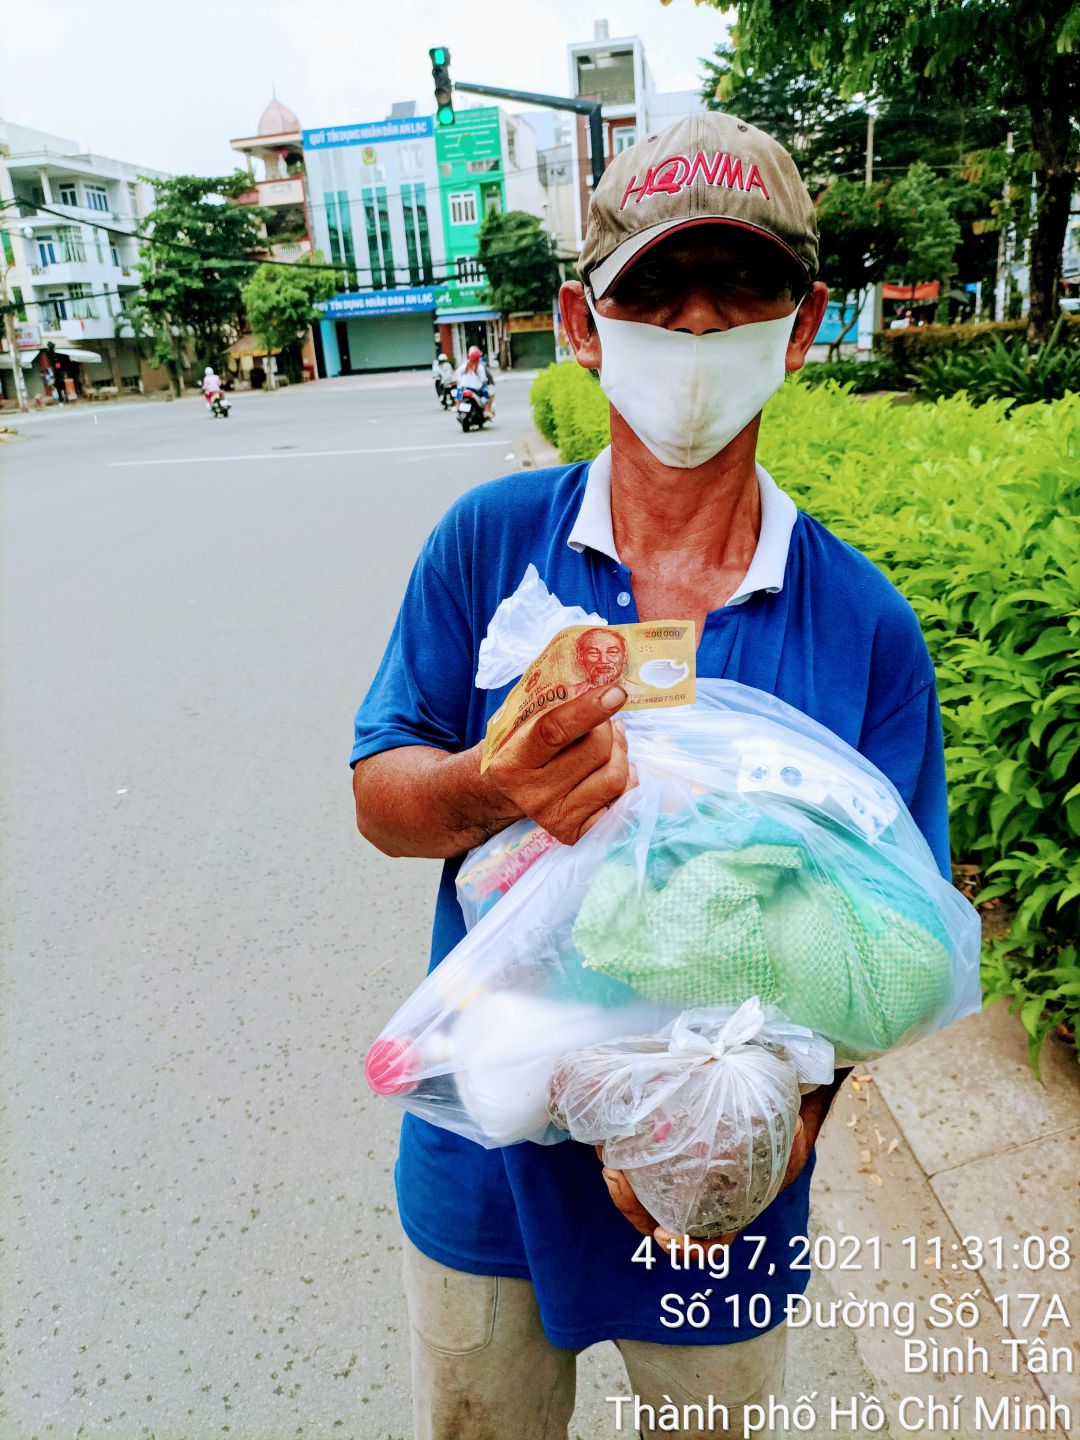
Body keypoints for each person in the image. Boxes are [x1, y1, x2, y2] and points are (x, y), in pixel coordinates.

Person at [351, 111, 951, 1440]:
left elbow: (901, 950)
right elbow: (382, 799)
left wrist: (776, 1128)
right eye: (655, 289)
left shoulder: (863, 625)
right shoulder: (488, 546)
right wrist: (498, 785)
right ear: (583, 321)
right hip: (485, 1163)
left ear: (802, 329)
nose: (696, 326)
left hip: (725, 1188)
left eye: (741, 287)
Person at [455, 344, 494, 419]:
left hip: (464, 387)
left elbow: (457, 373)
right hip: (476, 388)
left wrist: (461, 381)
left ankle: (457, 405)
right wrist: (485, 383)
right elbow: (483, 379)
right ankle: (486, 410)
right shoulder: (479, 367)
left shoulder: (465, 365)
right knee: (488, 395)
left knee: (459, 392)